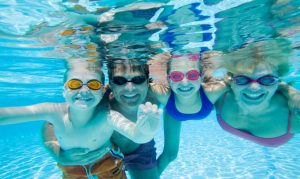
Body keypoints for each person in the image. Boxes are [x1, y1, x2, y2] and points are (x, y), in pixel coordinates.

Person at [0, 61, 161, 179]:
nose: (84, 91)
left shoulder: (109, 115)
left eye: (93, 85)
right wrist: (57, 153)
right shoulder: (56, 111)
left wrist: (147, 131)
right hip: (74, 170)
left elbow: (138, 135)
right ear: (64, 89)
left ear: (102, 89)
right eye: (75, 84)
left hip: (111, 165)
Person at [207, 38, 300, 147]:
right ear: (232, 81)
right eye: (242, 79)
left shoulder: (295, 115)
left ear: (277, 81)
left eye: (267, 79)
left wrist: (292, 93)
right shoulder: (218, 96)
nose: (254, 87)